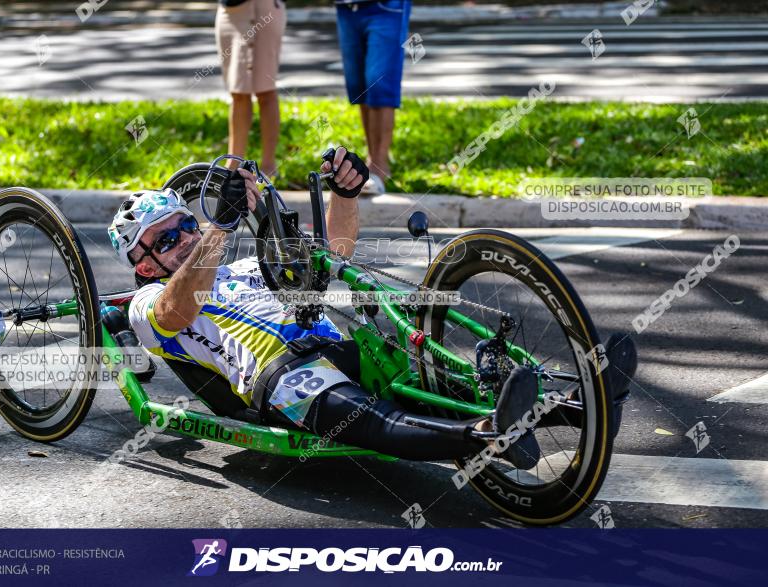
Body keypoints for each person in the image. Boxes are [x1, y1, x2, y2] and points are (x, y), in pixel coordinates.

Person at [107, 148, 636, 466]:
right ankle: (487, 439)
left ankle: (587, 405)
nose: (180, 236)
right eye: (164, 238)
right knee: (377, 421)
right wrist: (218, 229)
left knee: (439, 383)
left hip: (336, 346)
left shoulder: (243, 267)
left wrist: (347, 191)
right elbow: (178, 313)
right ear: (145, 263)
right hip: (281, 377)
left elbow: (331, 253)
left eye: (183, 225)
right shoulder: (150, 301)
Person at [334, 0, 412, 195]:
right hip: (346, 8)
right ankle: (372, 161)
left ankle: (379, 166)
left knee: (380, 81)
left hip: (386, 7)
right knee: (360, 86)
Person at [215, 0, 286, 178]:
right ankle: (232, 166)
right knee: (238, 92)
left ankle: (269, 168)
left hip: (264, 9)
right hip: (229, 12)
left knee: (266, 91)